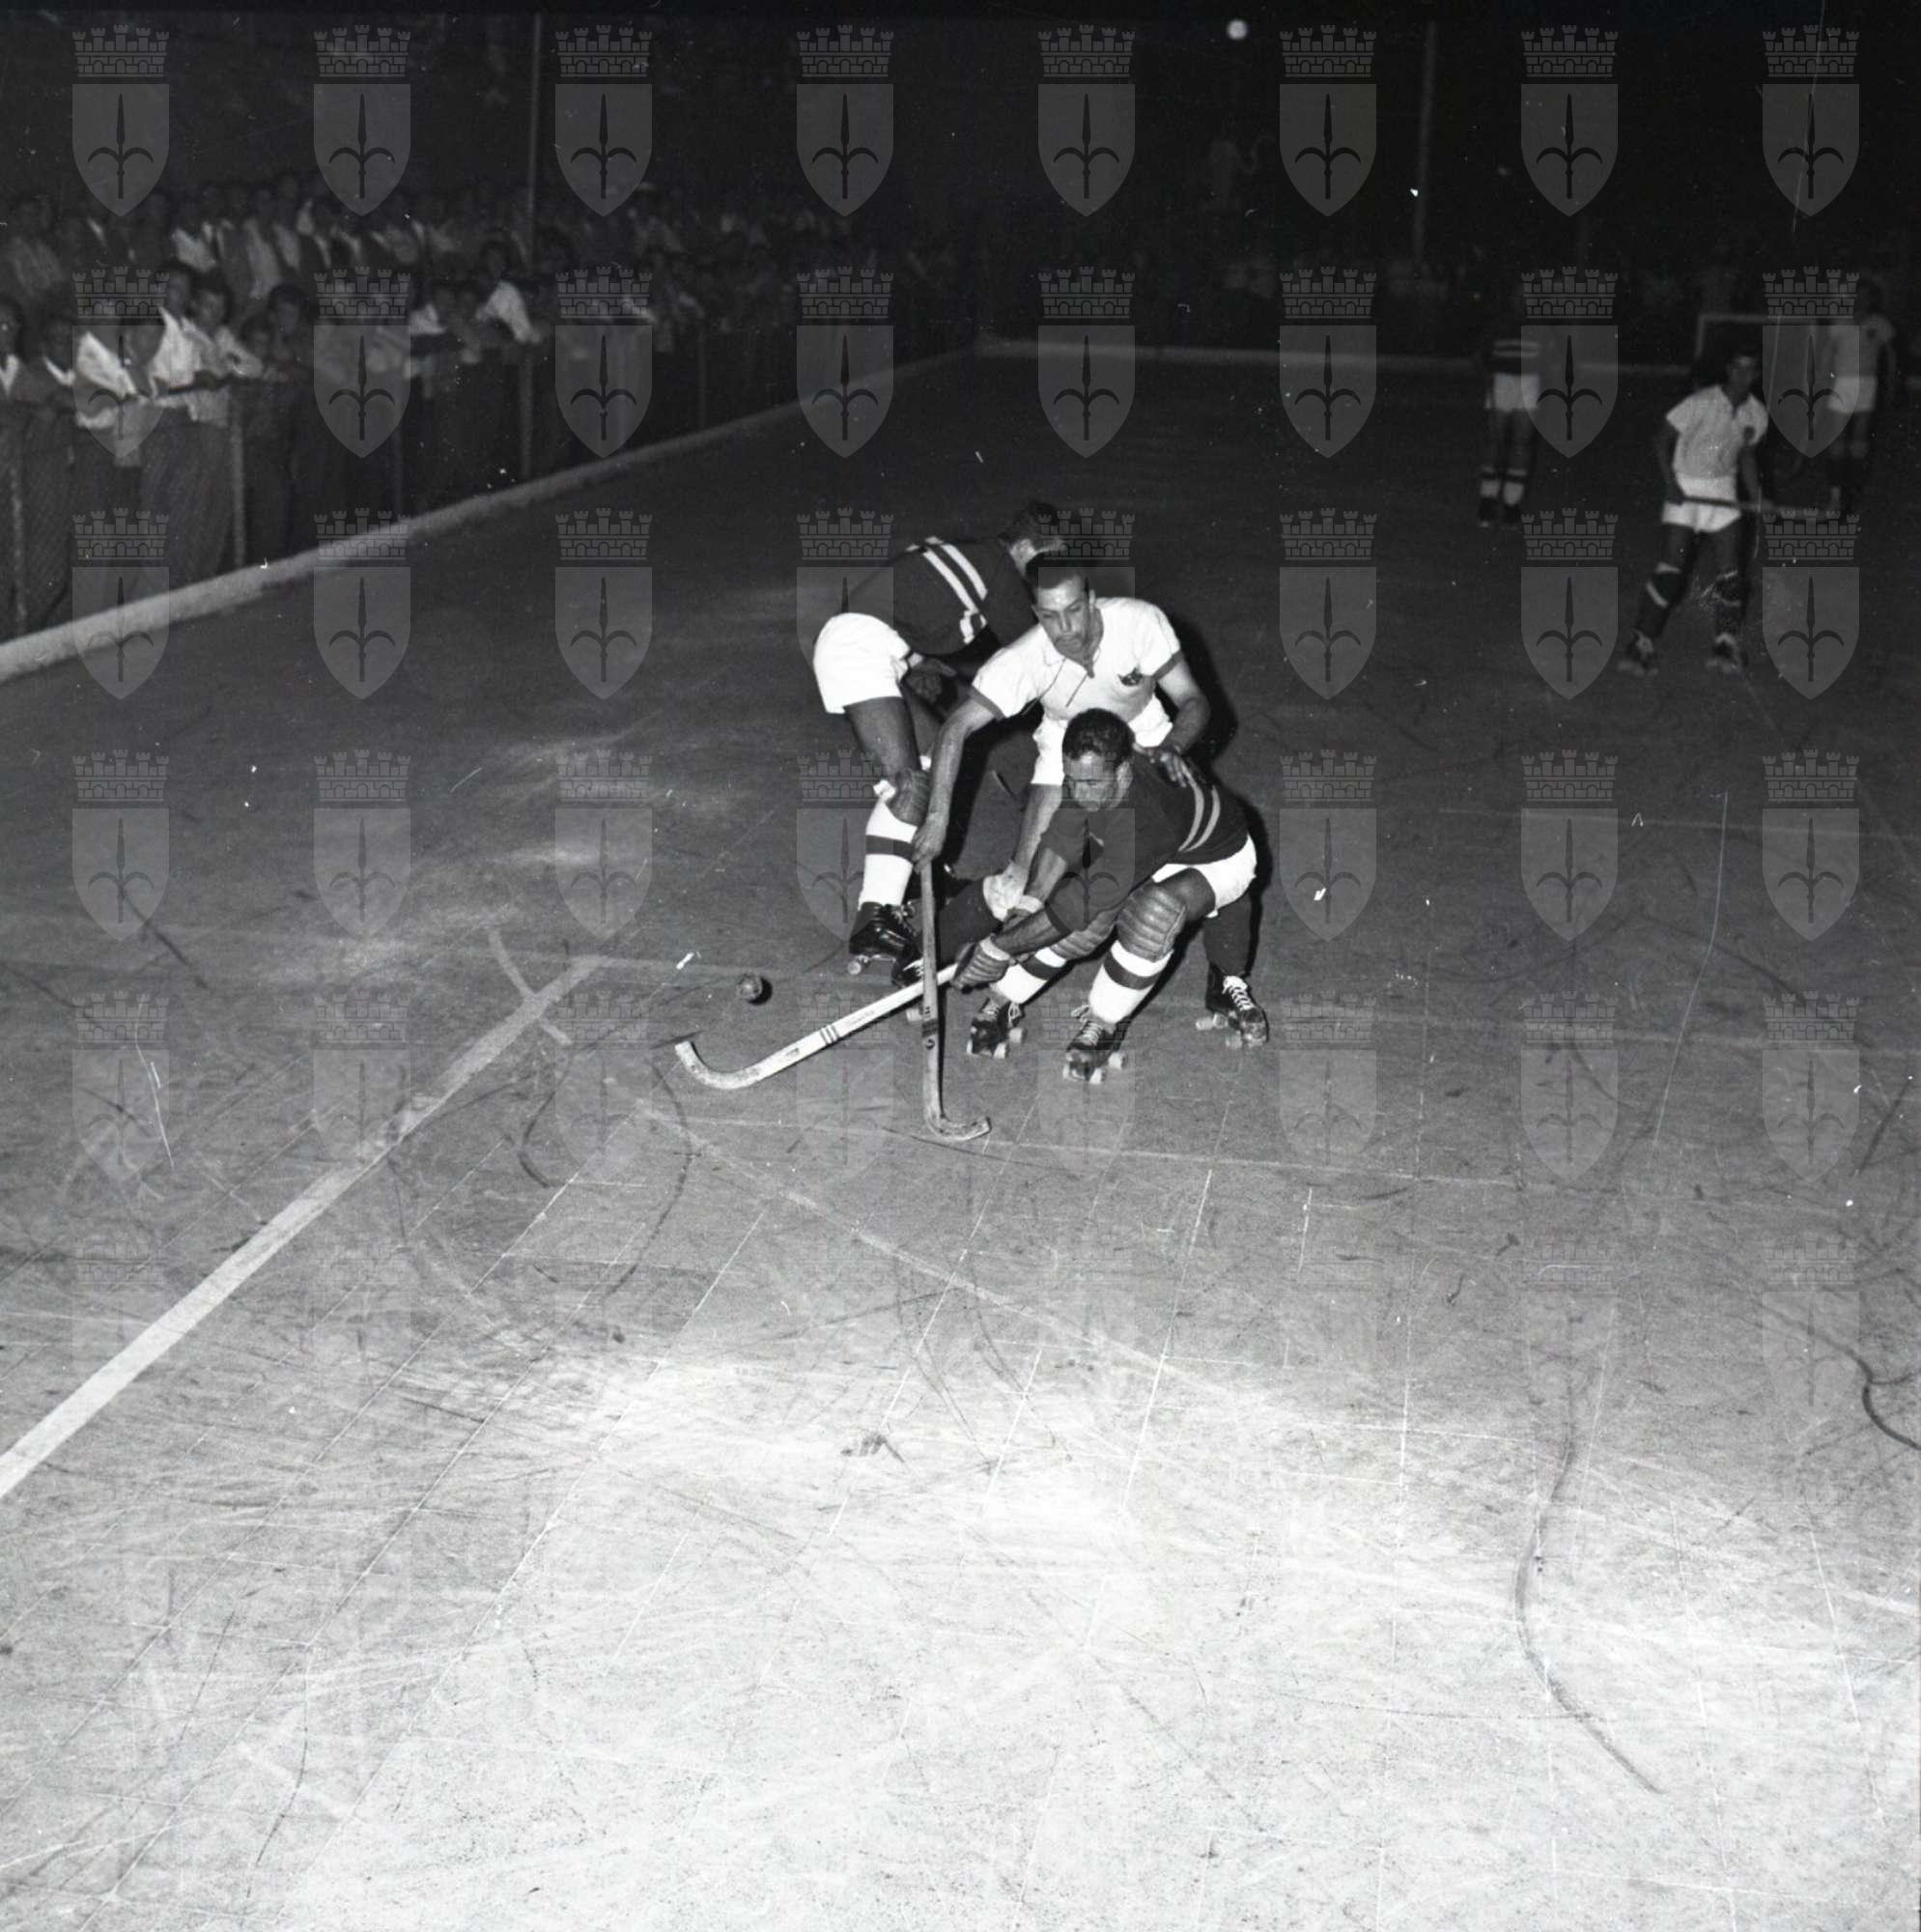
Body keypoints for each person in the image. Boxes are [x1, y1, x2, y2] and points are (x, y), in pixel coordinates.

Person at [946, 708, 1266, 1079]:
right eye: (1072, 780)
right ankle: (1006, 997)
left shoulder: (1149, 815)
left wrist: (999, 947)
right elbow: (1058, 844)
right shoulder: (1089, 776)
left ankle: (1104, 1022)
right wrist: (1024, 912)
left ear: (1124, 771)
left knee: (1152, 915)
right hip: (1156, 848)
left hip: (1217, 859)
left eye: (1092, 784)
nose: (1080, 794)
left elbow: (1071, 910)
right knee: (1077, 915)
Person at [809, 502, 1063, 966]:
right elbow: (1038, 655)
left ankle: (907, 876)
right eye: (1047, 559)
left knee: (934, 760)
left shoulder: (977, 554)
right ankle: (874, 920)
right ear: (1026, 547)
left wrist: (916, 662)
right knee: (910, 786)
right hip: (859, 649)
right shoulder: (1000, 570)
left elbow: (904, 601)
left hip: (875, 648)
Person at [912, 564, 1210, 920]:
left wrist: (1173, 746)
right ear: (1037, 614)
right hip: (1065, 744)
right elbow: (955, 728)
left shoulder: (1139, 621)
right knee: (1023, 881)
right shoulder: (1022, 659)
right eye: (1051, 616)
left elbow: (1193, 699)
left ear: (1092, 600)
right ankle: (960, 940)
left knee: (1195, 850)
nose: (1065, 628)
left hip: (1144, 732)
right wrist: (937, 818)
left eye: (1074, 610)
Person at [1619, 338, 1770, 677]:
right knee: (1671, 573)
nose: (1743, 375)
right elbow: (1661, 439)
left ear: (1756, 374)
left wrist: (1758, 497)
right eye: (1737, 368)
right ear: (1728, 370)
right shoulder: (1700, 402)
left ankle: (1725, 643)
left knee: (1731, 578)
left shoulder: (1757, 414)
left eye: (1750, 369)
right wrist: (1671, 484)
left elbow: (1747, 456)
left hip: (1723, 491)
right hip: (1686, 488)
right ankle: (1641, 644)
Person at [1822, 278, 1898, 518]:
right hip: (1842, 383)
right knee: (1837, 440)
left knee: (1859, 441)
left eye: (1868, 295)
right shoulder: (1840, 321)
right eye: (1859, 294)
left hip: (1867, 384)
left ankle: (1853, 494)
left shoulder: (1880, 323)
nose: (1862, 299)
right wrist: (1823, 383)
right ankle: (1835, 495)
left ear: (1873, 299)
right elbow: (1827, 355)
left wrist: (1892, 384)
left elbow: (1891, 356)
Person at [1474, 278, 1538, 526]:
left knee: (1522, 442)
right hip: (1502, 381)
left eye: (1528, 296)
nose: (1523, 300)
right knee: (1495, 440)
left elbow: (1553, 361)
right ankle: (1487, 500)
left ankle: (1512, 503)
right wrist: (1488, 377)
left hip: (1529, 383)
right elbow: (1479, 356)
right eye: (1519, 295)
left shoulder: (1541, 327)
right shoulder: (1498, 324)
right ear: (1511, 298)